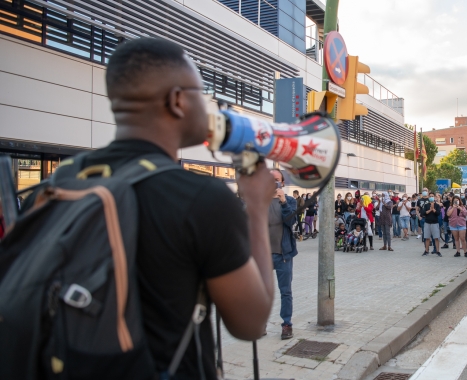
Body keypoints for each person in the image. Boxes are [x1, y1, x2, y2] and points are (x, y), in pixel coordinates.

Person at [21, 38, 277, 378]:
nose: (209, 106)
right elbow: (252, 323)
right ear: (176, 100)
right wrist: (257, 209)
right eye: (202, 93)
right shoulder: (201, 197)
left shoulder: (55, 186)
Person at [269, 169, 298, 340]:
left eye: (276, 180)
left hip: (283, 255)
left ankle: (286, 324)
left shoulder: (290, 201)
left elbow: (291, 222)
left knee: (285, 291)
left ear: (282, 183)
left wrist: (283, 202)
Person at [421, 192, 443, 257]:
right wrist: (430, 210)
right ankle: (426, 251)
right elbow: (423, 213)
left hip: (435, 223)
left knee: (436, 238)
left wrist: (433, 209)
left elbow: (438, 213)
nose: (431, 197)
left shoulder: (437, 205)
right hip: (427, 223)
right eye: (430, 196)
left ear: (434, 197)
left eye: (432, 196)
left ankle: (437, 251)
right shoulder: (426, 205)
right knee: (427, 238)